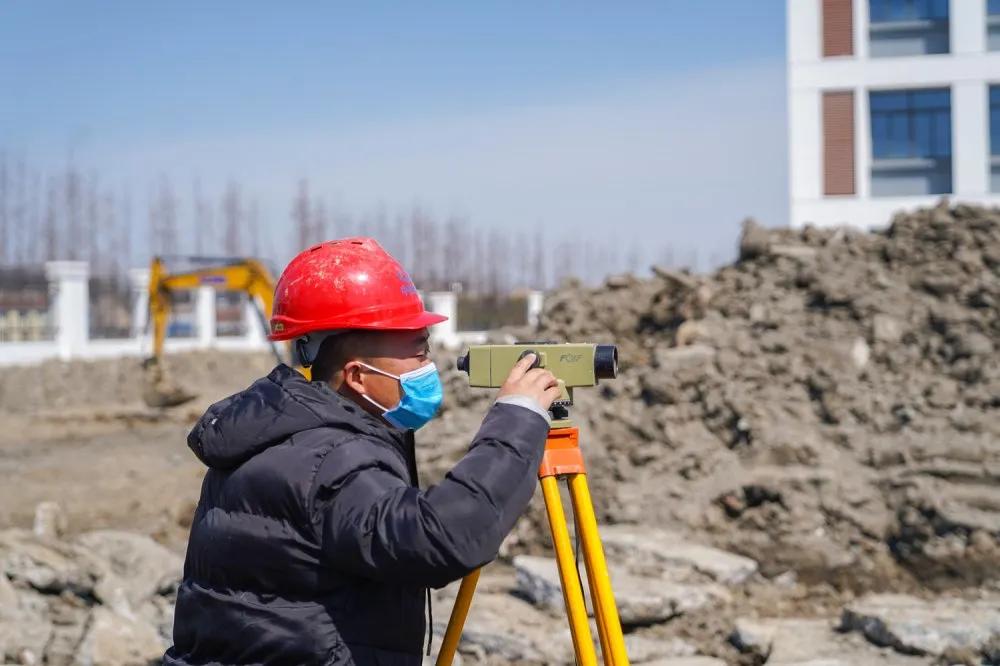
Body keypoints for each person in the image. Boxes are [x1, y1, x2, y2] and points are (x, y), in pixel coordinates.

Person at [164, 238, 560, 666]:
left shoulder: (272, 436)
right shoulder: (330, 461)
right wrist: (518, 418)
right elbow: (442, 537)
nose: (428, 368)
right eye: (418, 352)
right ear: (357, 376)